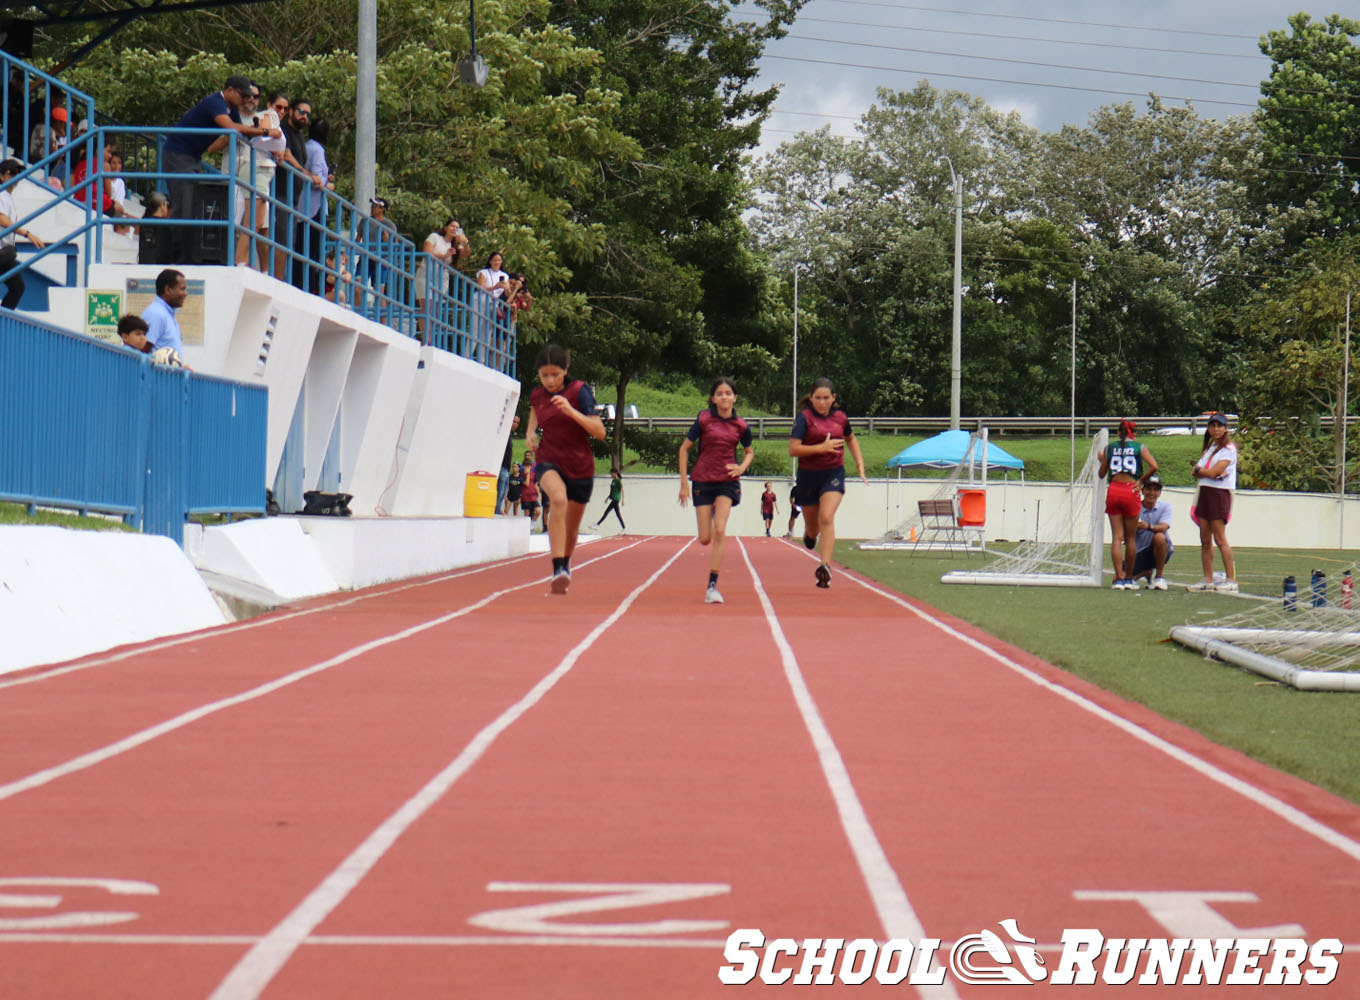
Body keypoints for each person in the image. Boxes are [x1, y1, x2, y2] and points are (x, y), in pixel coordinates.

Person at [162, 76, 277, 251]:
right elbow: (230, 128)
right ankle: (172, 251)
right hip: (178, 153)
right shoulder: (215, 102)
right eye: (243, 95)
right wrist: (266, 130)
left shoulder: (232, 110)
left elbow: (243, 133)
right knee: (183, 200)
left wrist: (268, 137)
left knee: (191, 201)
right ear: (229, 90)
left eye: (249, 97)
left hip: (193, 157)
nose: (246, 100)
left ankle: (183, 250)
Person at [526, 345, 606, 592]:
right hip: (549, 459)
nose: (549, 381)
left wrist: (571, 411)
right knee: (557, 499)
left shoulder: (579, 392)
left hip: (580, 465)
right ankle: (557, 567)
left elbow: (600, 432)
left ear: (565, 370)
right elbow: (534, 411)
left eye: (555, 375)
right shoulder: (537, 395)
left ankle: (565, 565)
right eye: (544, 375)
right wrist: (530, 432)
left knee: (571, 533)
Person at [679, 377, 754, 604]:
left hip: (726, 481)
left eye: (728, 393)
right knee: (704, 538)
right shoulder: (703, 419)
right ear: (713, 398)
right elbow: (684, 449)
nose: (724, 396)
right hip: (702, 479)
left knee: (720, 530)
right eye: (719, 393)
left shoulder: (740, 425)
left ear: (734, 397)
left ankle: (712, 586)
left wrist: (741, 467)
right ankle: (710, 513)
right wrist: (684, 484)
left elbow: (749, 451)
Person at [789, 377, 866, 589]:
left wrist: (859, 463)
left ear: (833, 398)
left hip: (833, 473)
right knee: (813, 529)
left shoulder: (841, 418)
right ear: (811, 398)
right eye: (818, 398)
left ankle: (825, 566)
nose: (822, 402)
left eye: (826, 398)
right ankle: (809, 534)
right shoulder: (804, 418)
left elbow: (850, 439)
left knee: (827, 516)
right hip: (808, 476)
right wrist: (820, 448)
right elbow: (793, 449)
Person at [1098, 418, 1159, 590]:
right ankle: (1129, 578)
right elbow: (1154, 465)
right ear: (1135, 433)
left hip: (1114, 489)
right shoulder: (1139, 447)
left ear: (1118, 433)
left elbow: (1102, 474)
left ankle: (1118, 577)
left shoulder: (1109, 448)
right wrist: (1140, 481)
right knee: (1130, 538)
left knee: (1117, 537)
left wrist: (1103, 459)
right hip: (1130, 490)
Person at [232, 82, 284, 269]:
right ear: (270, 105)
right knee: (254, 220)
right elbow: (267, 135)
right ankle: (240, 261)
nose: (282, 111)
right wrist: (274, 135)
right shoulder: (267, 116)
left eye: (285, 108)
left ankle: (251, 264)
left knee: (259, 223)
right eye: (279, 107)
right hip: (258, 169)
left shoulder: (260, 118)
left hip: (259, 169)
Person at [1190, 412, 1238, 592]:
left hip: (1219, 494)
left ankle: (1231, 580)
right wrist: (1200, 470)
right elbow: (1198, 472)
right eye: (1212, 426)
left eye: (1219, 426)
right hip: (1205, 492)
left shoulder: (1229, 449)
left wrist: (1199, 469)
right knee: (1205, 538)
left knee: (1219, 538)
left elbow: (1212, 472)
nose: (1216, 429)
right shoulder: (1210, 448)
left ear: (1225, 428)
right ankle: (1208, 579)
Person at [0, 158, 45, 309]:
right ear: (1, 176)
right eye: (11, 173)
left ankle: (3, 324)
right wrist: (27, 234)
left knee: (18, 287)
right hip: (2, 251)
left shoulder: (7, 196)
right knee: (17, 287)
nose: (16, 176)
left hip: (5, 251)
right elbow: (2, 220)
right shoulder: (1, 194)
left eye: (18, 173)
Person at [293, 118, 331, 293]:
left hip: (305, 205)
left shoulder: (308, 147)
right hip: (313, 207)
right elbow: (316, 178)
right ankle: (308, 287)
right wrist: (328, 184)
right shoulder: (317, 151)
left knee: (302, 247)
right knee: (311, 251)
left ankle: (303, 285)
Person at [1130, 475, 1173, 590]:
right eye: (1148, 489)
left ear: (1160, 492)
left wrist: (1147, 526)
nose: (1152, 493)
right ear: (1142, 490)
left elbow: (1164, 527)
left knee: (1159, 537)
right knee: (1119, 578)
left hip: (1159, 548)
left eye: (1156, 490)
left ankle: (1159, 577)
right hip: (1139, 552)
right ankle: (1146, 572)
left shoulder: (1166, 506)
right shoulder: (1134, 507)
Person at [143, 268, 187, 353]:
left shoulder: (167, 314)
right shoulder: (156, 314)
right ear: (168, 290)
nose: (186, 293)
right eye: (182, 289)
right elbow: (142, 350)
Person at [520, 451, 539, 527]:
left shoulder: (533, 473)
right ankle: (526, 528)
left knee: (538, 511)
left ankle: (531, 525)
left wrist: (538, 493)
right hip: (525, 496)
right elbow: (527, 483)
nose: (527, 468)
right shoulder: (521, 475)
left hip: (533, 496)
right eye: (526, 466)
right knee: (527, 514)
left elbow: (535, 484)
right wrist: (527, 474)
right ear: (523, 466)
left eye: (529, 466)